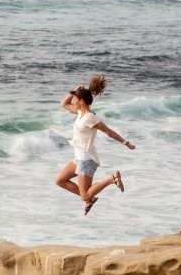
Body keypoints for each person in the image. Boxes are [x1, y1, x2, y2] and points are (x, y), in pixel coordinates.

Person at [55, 75, 135, 214]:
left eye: (75, 99)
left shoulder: (89, 118)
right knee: (60, 181)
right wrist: (74, 91)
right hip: (78, 157)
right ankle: (90, 199)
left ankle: (111, 179)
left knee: (85, 195)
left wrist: (125, 142)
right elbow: (63, 103)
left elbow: (108, 131)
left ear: (81, 101)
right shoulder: (80, 112)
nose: (73, 101)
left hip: (86, 160)